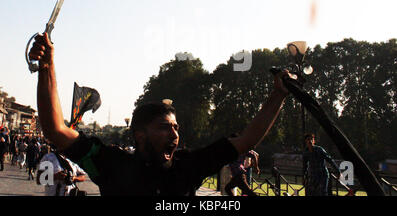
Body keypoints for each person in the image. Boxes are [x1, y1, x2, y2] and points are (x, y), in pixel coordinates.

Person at [28, 32, 290, 196]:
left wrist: (278, 94)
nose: (174, 133)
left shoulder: (190, 165)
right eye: (165, 127)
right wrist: (47, 67)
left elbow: (246, 140)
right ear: (139, 133)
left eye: (175, 127)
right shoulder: (111, 164)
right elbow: (56, 130)